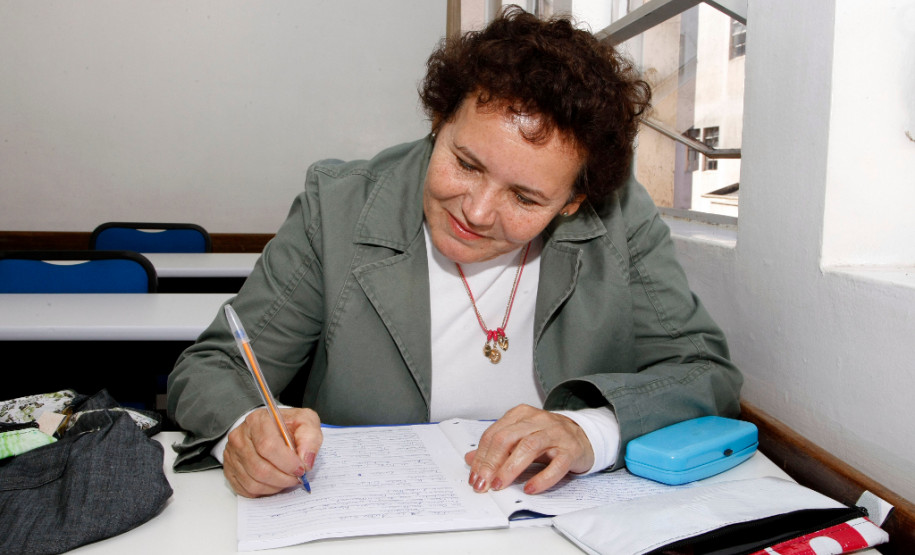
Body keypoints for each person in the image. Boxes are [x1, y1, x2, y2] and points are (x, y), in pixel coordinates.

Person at [167, 7, 742, 499]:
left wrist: (589, 431)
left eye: (525, 197)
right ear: (439, 121)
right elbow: (212, 367)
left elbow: (704, 372)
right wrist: (244, 428)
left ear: (572, 202)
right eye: (465, 164)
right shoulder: (338, 206)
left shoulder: (619, 220)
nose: (478, 211)